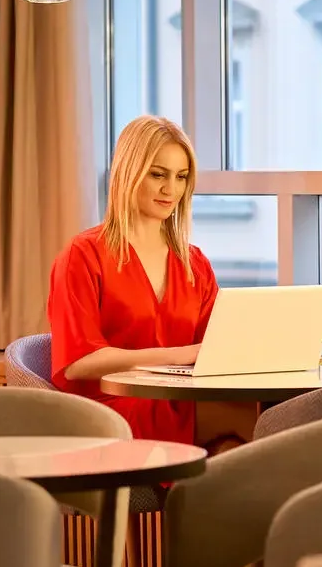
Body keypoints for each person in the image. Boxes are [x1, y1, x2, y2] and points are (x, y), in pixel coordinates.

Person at [48, 115, 218, 444]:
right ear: (130, 173)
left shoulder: (195, 264)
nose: (172, 190)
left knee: (256, 416)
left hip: (178, 403)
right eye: (158, 175)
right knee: (230, 428)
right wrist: (177, 355)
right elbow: (78, 363)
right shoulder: (83, 255)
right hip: (110, 411)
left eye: (181, 177)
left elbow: (215, 347)